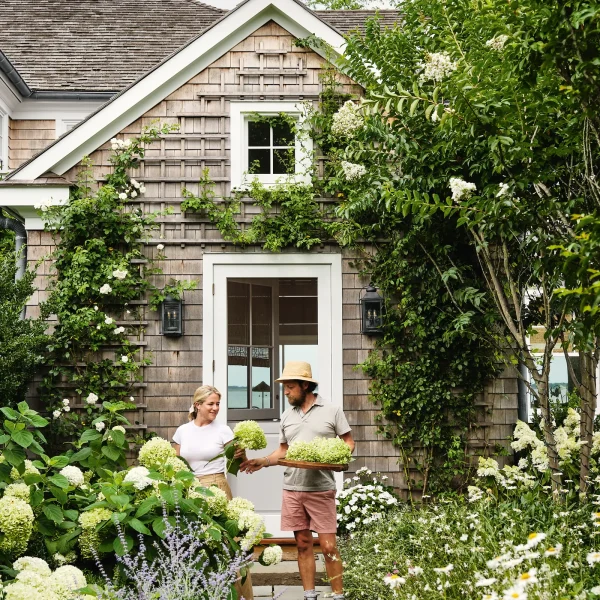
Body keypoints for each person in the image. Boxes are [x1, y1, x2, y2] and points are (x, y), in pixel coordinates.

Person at [240, 361, 355, 600]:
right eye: (285, 387)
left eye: (290, 387)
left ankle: (338, 595)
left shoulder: (331, 410)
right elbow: (283, 450)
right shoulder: (286, 416)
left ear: (305, 385)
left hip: (321, 489)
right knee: (303, 545)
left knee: (328, 547)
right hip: (292, 489)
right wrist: (263, 461)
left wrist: (337, 457)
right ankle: (309, 595)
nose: (285, 392)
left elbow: (348, 443)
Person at [172, 385, 253, 600]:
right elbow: (174, 465)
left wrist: (241, 452)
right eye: (211, 404)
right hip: (189, 491)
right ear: (197, 405)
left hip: (217, 487)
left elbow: (240, 462)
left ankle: (241, 596)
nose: (216, 408)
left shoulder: (223, 430)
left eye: (218, 403)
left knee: (229, 545)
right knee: (193, 545)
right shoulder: (182, 431)